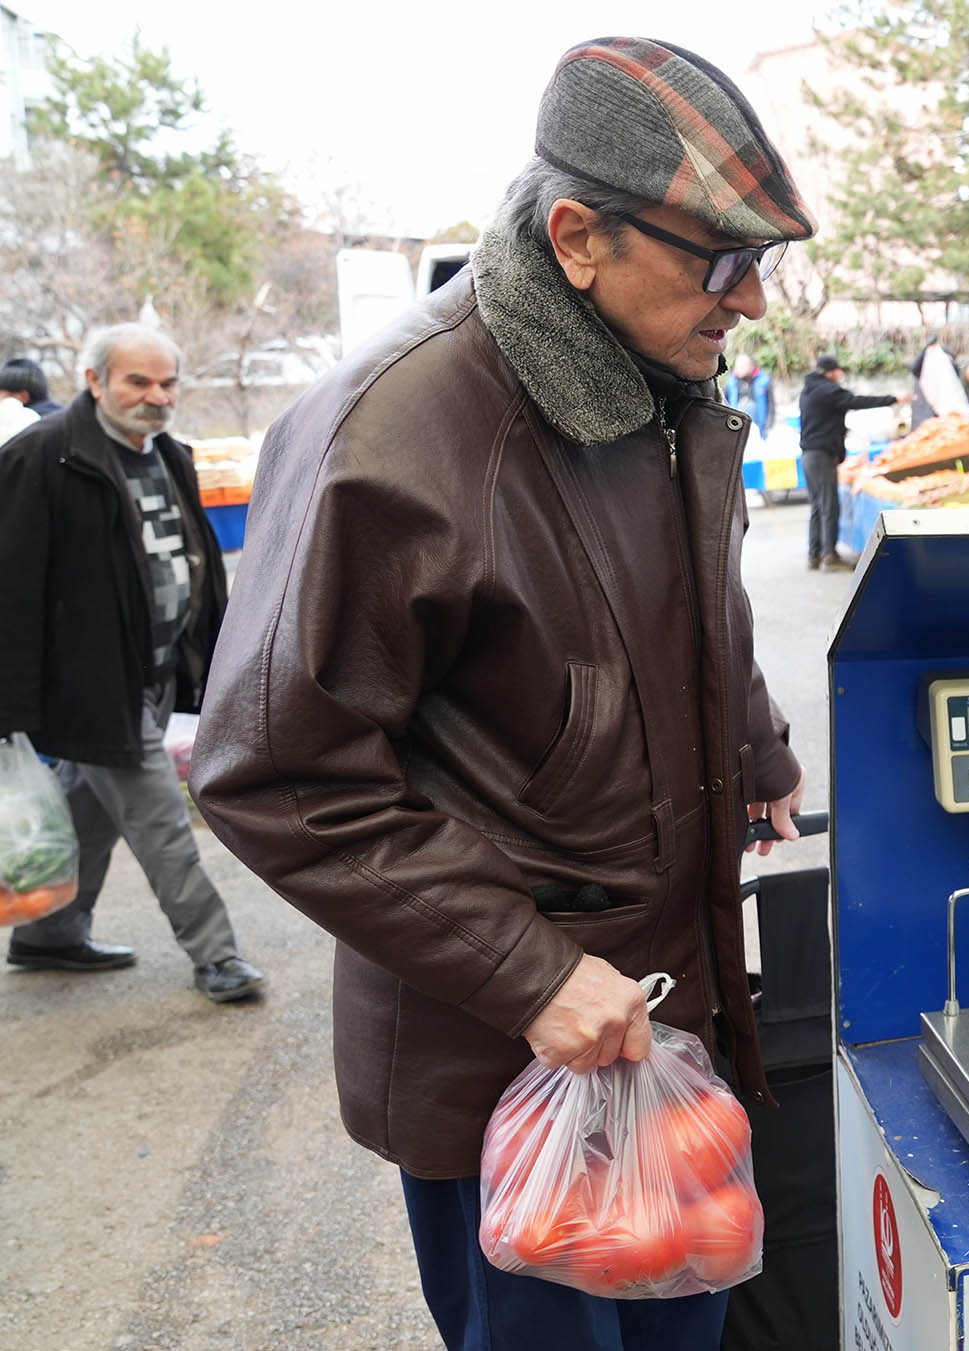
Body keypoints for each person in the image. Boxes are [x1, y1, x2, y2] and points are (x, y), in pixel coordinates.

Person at [189, 37, 814, 1351]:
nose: (751, 299)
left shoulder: (659, 381)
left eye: (764, 261)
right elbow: (271, 766)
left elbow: (697, 608)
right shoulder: (392, 430)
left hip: (668, 1017)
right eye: (719, 260)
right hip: (515, 1064)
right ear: (577, 234)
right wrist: (529, 972)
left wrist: (756, 752)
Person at [0, 324, 262, 1002]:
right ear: (94, 381)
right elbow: (12, 586)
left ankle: (49, 934)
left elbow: (191, 558)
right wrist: (11, 706)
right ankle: (217, 954)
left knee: (92, 806)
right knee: (158, 817)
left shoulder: (169, 453)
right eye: (138, 382)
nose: (156, 396)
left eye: (168, 383)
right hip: (90, 685)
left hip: (153, 672)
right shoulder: (42, 456)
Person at [797, 353, 897, 571]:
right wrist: (893, 399)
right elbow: (855, 401)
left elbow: (821, 419)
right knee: (829, 506)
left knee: (817, 506)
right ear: (831, 372)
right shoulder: (826, 389)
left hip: (809, 455)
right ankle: (829, 557)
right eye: (838, 372)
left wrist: (839, 429)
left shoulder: (809, 391)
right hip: (821, 456)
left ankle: (814, 555)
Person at [907, 338, 969, 424]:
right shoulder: (925, 372)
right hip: (924, 416)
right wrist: (926, 349)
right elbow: (914, 369)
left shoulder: (950, 376)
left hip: (941, 417)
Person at [724, 352, 775, 440]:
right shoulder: (731, 381)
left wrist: (769, 422)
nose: (739, 369)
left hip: (759, 427)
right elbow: (724, 403)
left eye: (742, 366)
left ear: (751, 366)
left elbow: (771, 403)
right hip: (737, 428)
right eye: (737, 366)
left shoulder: (763, 380)